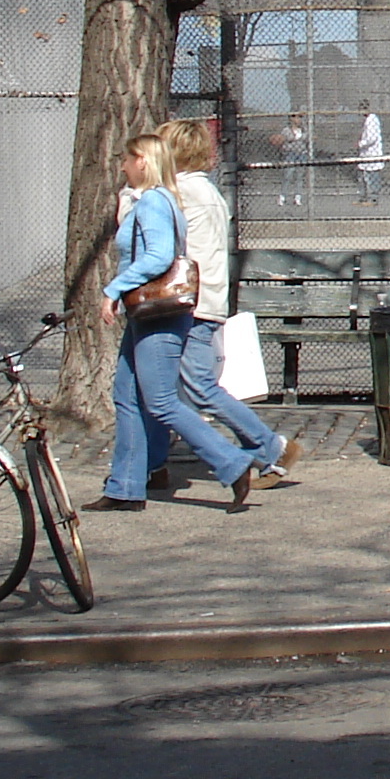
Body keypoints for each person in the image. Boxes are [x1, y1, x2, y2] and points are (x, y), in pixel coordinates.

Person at [129, 118, 299, 500]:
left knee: (197, 387)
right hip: (205, 299)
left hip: (191, 304)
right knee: (171, 387)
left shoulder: (181, 194)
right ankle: (155, 462)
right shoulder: (205, 191)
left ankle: (270, 445)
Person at [94, 135, 264, 512]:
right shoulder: (156, 199)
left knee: (160, 402)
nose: (123, 165)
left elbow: (158, 256)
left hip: (160, 313)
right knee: (127, 395)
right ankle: (125, 487)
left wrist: (114, 289)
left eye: (128, 159)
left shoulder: (154, 201)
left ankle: (233, 463)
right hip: (147, 313)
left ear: (143, 162)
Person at [273, 114, 311, 210]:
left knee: (299, 175)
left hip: (301, 154)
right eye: (295, 117)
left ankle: (298, 197)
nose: (298, 119)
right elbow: (286, 138)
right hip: (290, 154)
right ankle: (283, 196)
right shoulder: (286, 130)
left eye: (299, 117)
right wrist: (294, 138)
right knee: (288, 175)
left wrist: (299, 137)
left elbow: (306, 139)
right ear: (291, 119)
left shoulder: (304, 130)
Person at [355, 107, 385, 205]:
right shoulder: (366, 120)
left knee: (372, 175)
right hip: (365, 154)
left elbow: (372, 138)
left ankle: (373, 199)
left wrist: (360, 144)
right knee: (362, 175)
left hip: (372, 153)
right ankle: (363, 197)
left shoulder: (372, 120)